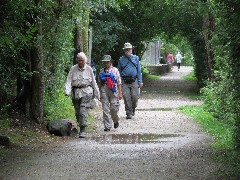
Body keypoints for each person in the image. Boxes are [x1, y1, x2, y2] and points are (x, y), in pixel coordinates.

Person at [65, 52, 100, 138]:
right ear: (77, 60)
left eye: (82, 60)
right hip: (75, 92)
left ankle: (82, 130)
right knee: (77, 112)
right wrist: (67, 91)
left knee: (82, 110)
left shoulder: (89, 69)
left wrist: (97, 94)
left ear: (85, 61)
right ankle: (80, 124)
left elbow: (94, 82)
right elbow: (68, 80)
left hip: (86, 91)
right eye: (79, 60)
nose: (81, 62)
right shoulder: (73, 69)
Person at [117, 42, 143, 119]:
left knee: (135, 97)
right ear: (124, 50)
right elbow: (118, 72)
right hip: (124, 81)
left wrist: (140, 81)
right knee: (126, 97)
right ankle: (128, 113)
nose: (128, 50)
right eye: (126, 49)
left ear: (131, 49)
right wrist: (119, 82)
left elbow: (139, 70)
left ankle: (133, 108)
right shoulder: (121, 59)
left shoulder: (136, 58)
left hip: (134, 80)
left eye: (129, 49)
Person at [98, 55, 122, 131]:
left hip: (113, 89)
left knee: (114, 108)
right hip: (104, 89)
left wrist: (120, 93)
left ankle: (115, 120)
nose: (105, 64)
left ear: (110, 62)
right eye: (104, 63)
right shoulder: (101, 71)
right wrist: (98, 92)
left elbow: (119, 82)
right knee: (105, 109)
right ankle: (107, 126)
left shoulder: (115, 70)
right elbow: (99, 82)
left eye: (107, 62)